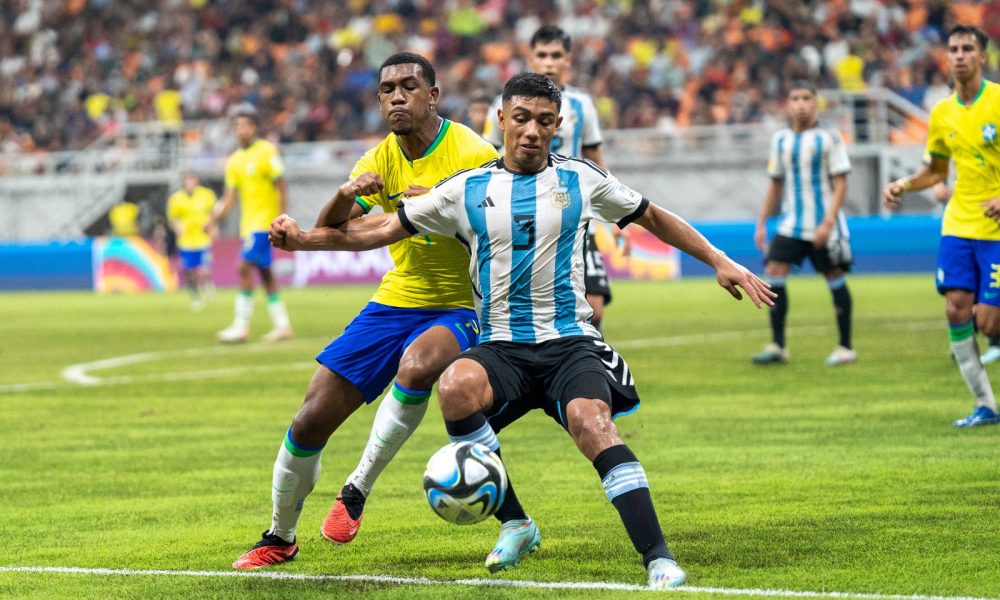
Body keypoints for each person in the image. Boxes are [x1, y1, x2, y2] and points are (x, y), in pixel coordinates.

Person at [269, 72, 775, 590]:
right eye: (521, 119)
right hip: (502, 347)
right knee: (455, 386)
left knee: (592, 424)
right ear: (502, 121)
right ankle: (516, 523)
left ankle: (658, 558)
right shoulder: (464, 189)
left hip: (568, 342)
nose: (532, 131)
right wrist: (302, 239)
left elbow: (653, 216)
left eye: (544, 121)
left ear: (558, 126)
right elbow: (377, 230)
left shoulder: (583, 179)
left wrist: (718, 259)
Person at [231, 52, 499, 569]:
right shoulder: (379, 159)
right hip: (395, 299)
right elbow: (339, 226)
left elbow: (501, 226)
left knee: (419, 365)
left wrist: (449, 202)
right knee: (310, 420)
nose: (396, 96)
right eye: (387, 89)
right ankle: (279, 537)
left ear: (433, 96)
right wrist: (344, 192)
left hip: (464, 302)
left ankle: (356, 488)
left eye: (408, 86)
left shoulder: (472, 150)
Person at [883, 24, 1000, 427]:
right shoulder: (941, 112)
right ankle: (986, 405)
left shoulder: (999, 102)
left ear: (982, 56)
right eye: (954, 49)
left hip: (997, 230)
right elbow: (935, 171)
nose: (960, 55)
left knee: (989, 321)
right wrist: (905, 183)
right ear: (946, 57)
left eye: (968, 48)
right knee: (956, 310)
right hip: (958, 224)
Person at [483, 25, 629, 331]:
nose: (548, 62)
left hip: (571, 212)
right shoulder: (505, 104)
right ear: (531, 58)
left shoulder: (581, 104)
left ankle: (587, 362)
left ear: (567, 60)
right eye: (542, 55)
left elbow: (595, 161)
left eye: (556, 56)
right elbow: (487, 158)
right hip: (521, 210)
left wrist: (616, 217)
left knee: (594, 307)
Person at [751, 81, 856, 366]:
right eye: (795, 98)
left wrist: (829, 222)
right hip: (791, 224)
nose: (801, 104)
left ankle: (846, 347)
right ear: (788, 103)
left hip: (823, 224)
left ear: (816, 102)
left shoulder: (829, 138)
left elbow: (841, 182)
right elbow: (775, 184)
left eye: (806, 98)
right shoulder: (780, 140)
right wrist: (762, 222)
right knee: (774, 272)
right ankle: (777, 346)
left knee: (834, 276)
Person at [212, 105, 293, 343]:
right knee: (265, 274)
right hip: (248, 225)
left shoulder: (267, 151)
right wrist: (213, 217)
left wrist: (282, 216)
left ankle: (241, 325)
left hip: (264, 224)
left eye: (245, 125)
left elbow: (281, 184)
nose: (240, 130)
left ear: (254, 128)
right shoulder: (234, 160)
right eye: (237, 126)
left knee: (242, 267)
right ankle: (282, 325)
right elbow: (229, 198)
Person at [167, 172, 217, 311]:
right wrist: (177, 227)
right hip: (186, 241)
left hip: (202, 239)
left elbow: (214, 213)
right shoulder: (176, 198)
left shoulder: (206, 195)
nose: (190, 184)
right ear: (183, 183)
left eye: (192, 180)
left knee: (204, 270)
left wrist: (212, 226)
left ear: (196, 181)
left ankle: (208, 284)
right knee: (188, 271)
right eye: (187, 181)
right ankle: (195, 297)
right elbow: (172, 219)